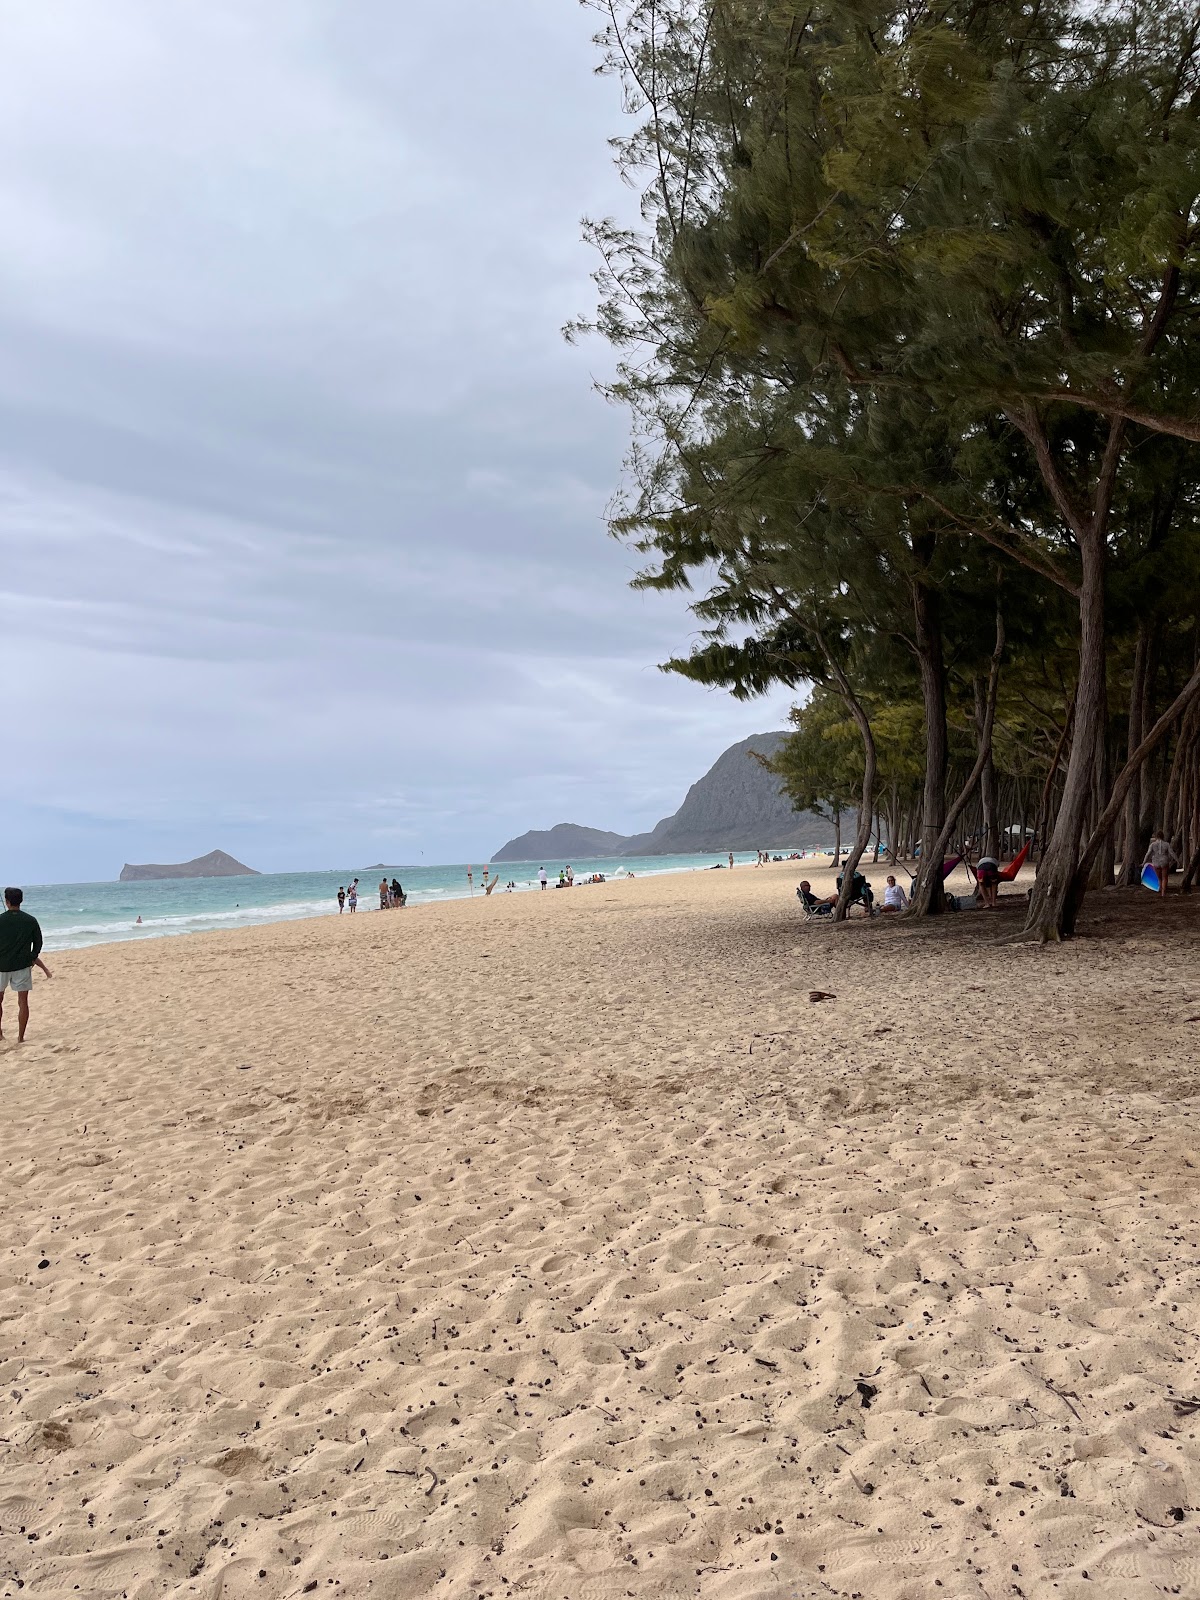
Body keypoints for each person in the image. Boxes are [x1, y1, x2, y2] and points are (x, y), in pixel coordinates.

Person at [0, 888, 52, 1042]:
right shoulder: (30, 920)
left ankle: (0, 1035)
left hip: (1, 966)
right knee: (23, 1002)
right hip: (22, 966)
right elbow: (39, 942)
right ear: (21, 901)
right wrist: (32, 958)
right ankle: (20, 1037)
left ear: (7, 902)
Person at [1144, 830, 1179, 897]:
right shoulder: (1166, 844)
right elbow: (1172, 853)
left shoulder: (1153, 845)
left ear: (1156, 837)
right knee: (1164, 878)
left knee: (1159, 878)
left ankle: (1160, 889)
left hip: (1156, 862)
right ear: (1163, 836)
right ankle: (1163, 892)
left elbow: (1148, 854)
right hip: (1164, 861)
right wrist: (1177, 860)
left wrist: (1144, 862)